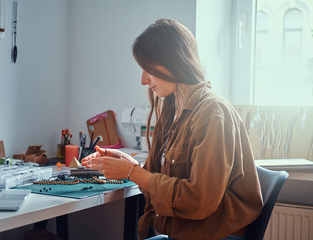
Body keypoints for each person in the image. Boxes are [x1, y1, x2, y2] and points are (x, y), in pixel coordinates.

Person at [81, 19, 263, 240]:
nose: (143, 80)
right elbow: (169, 180)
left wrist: (133, 173)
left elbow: (199, 200)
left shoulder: (212, 114)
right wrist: (129, 165)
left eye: (147, 68)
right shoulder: (174, 108)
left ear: (173, 60)